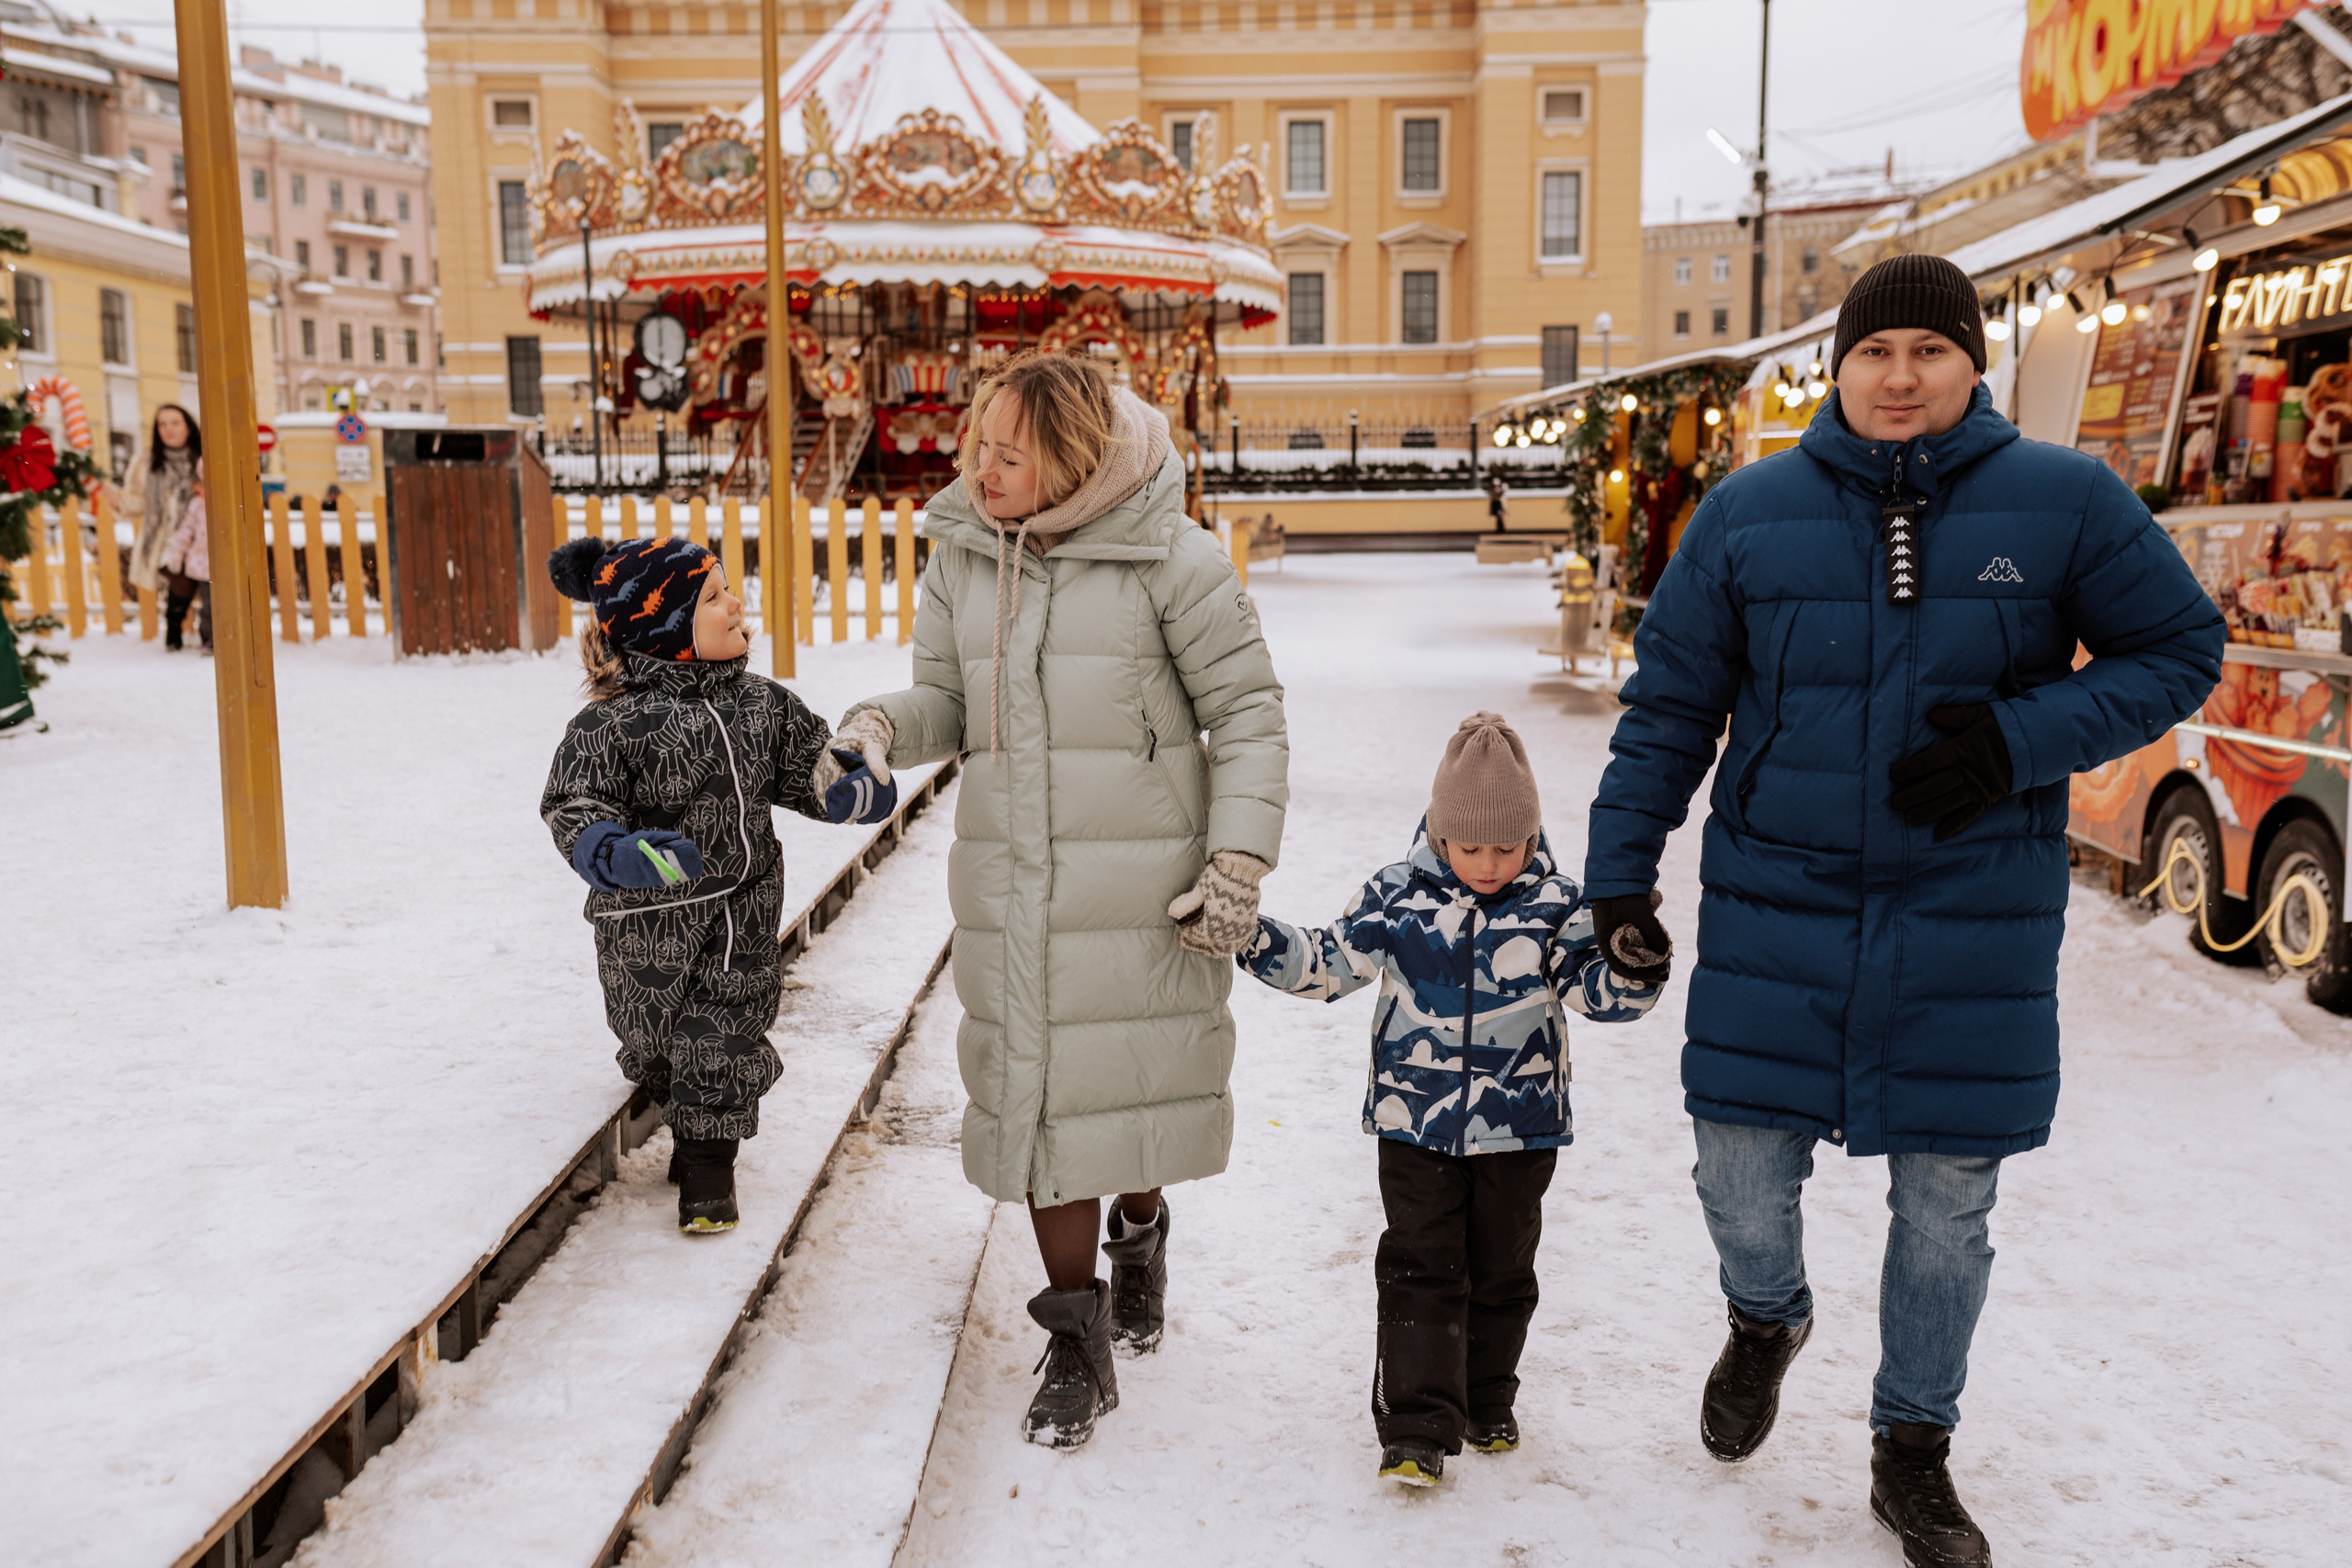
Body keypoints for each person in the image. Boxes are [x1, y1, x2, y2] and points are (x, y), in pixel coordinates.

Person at [1581, 253, 2224, 1568]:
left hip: (1967, 914)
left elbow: (2180, 649)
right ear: (1841, 364)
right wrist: (1618, 873)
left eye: (1929, 352)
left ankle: (1911, 1449)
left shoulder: (2064, 501)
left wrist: (2014, 740)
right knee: (1737, 1169)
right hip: (1779, 898)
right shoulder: (1749, 510)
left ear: (1972, 365)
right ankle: (1767, 1315)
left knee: (1947, 1205)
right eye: (1876, 352)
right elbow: (1671, 708)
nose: (1900, 376)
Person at [842, 350, 1288, 1450]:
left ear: (1075, 457)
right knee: (1041, 1109)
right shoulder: (961, 559)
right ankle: (1075, 1334)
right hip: (1016, 881)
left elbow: (1247, 716)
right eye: (975, 446)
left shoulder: (1173, 561)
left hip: (1141, 884)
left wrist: (1237, 862)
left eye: (1008, 452)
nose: (980, 468)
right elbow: (952, 700)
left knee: (1121, 1100)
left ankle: (1141, 1233)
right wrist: (882, 729)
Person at [1238, 712, 1660, 1487]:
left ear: (1533, 838)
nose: (1491, 864)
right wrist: (1251, 936)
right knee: (1422, 1264)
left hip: (1521, 1130)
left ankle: (1487, 1395)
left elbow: (1601, 995)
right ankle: (1416, 1423)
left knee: (1503, 1269)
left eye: (1509, 846)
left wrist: (1635, 964)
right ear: (1439, 833)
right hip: (1413, 1124)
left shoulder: (1560, 905)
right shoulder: (1395, 899)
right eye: (1472, 847)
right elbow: (1328, 963)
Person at [539, 533, 898, 1235]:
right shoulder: (611, 724)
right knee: (649, 1039)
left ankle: (708, 1163)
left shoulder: (763, 705)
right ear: (664, 627)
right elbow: (572, 803)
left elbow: (808, 766)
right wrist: (612, 850)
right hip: (642, 925)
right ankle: (680, 1098)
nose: (737, 605)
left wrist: (849, 788)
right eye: (714, 596)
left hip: (740, 909)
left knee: (723, 1030)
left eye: (729, 588)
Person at [127, 404, 206, 650]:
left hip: (200, 536)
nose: (168, 429)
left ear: (188, 426)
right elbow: (136, 500)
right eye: (162, 424)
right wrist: (107, 493)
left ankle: (200, 633)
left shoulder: (204, 458)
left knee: (201, 583)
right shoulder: (147, 463)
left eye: (175, 423)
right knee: (181, 580)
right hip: (163, 540)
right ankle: (174, 630)